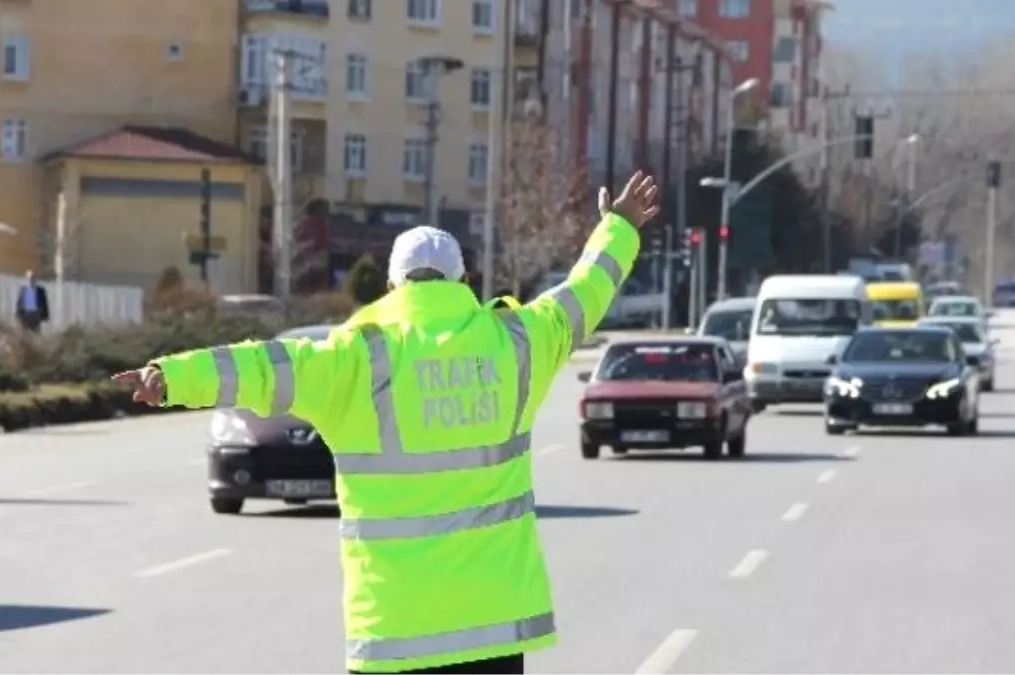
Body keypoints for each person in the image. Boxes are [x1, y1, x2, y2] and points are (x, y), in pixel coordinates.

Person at [111, 171, 661, 675]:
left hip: (394, 629)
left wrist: (171, 377)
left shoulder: (356, 357)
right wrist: (619, 226)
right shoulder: (516, 344)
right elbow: (585, 295)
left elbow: (262, 367)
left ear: (394, 287)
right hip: (492, 627)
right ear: (462, 279)